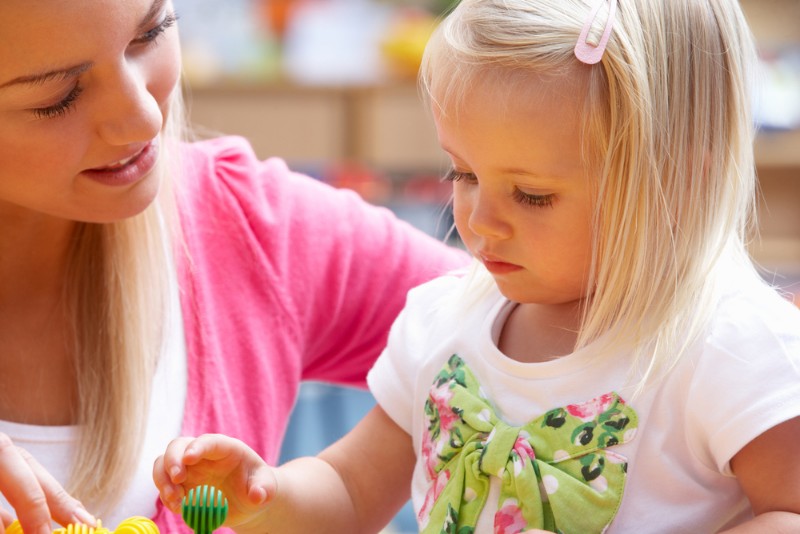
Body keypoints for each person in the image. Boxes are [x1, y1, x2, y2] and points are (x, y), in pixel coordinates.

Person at [153, 0, 800, 532]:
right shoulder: (444, 321)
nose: (479, 220)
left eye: (532, 195)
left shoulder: (734, 344)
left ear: (678, 181)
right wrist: (265, 491)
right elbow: (349, 491)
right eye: (463, 172)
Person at [0, 0, 468, 532]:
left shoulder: (252, 228)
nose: (145, 118)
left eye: (152, 32)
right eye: (58, 98)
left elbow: (552, 313)